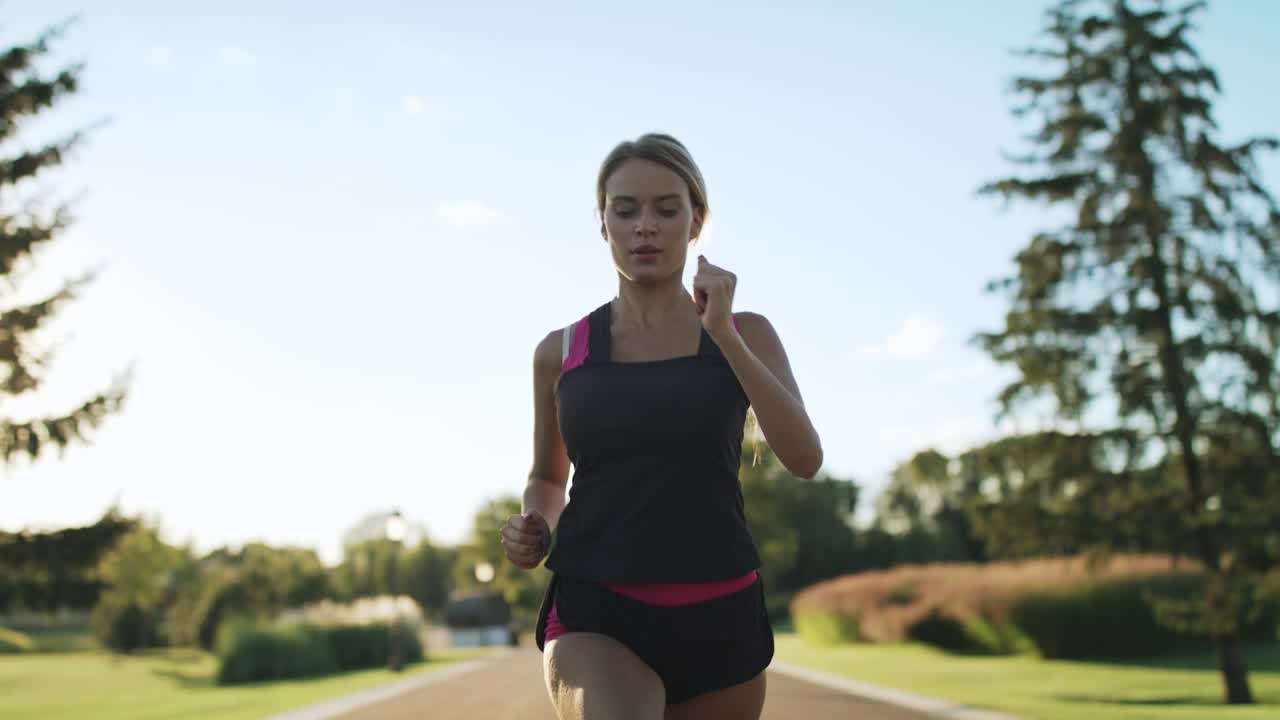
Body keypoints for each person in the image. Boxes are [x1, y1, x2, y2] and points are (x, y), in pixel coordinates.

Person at [500, 133, 823, 720]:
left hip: (722, 612)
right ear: (603, 224)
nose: (644, 226)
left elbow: (805, 459)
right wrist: (536, 525)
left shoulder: (746, 333)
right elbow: (547, 480)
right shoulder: (561, 350)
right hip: (597, 608)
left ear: (695, 221)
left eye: (665, 209)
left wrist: (722, 334)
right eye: (625, 210)